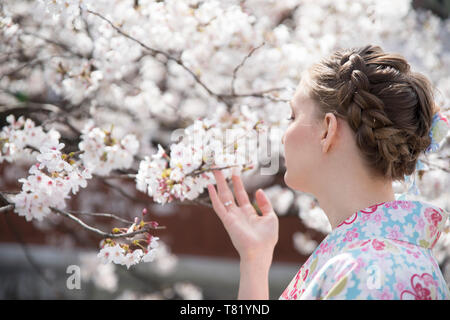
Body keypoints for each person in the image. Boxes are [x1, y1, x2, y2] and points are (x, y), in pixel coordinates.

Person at [206, 44, 450, 300]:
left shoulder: (372, 271)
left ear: (327, 130)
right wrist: (254, 262)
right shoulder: (372, 261)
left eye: (292, 116)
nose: (282, 137)